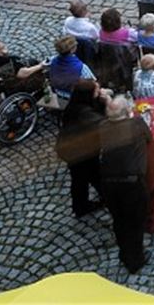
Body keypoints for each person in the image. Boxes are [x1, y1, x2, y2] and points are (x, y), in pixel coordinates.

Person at [99, 96, 151, 273]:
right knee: (135, 221)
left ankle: (124, 252)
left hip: (108, 181)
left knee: (119, 219)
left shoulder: (103, 126)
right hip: (131, 182)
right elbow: (149, 137)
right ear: (127, 111)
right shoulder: (136, 124)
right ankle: (135, 260)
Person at [56, 79, 106, 217]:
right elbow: (103, 124)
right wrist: (107, 102)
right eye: (97, 90)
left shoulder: (76, 105)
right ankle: (83, 205)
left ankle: (84, 204)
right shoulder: (85, 114)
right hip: (79, 152)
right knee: (86, 176)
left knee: (86, 176)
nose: (100, 91)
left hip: (74, 148)